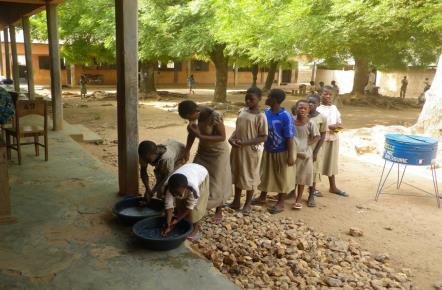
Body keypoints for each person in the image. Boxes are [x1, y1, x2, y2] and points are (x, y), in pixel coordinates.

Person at [178, 100, 232, 223]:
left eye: (189, 117)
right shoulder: (194, 115)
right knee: (198, 178)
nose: (189, 120)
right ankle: (199, 206)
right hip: (203, 151)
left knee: (217, 181)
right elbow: (192, 133)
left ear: (195, 111)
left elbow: (222, 137)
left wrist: (200, 136)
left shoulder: (214, 115)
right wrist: (187, 150)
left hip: (218, 153)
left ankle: (219, 209)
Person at [252, 89, 296, 214]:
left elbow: (289, 136)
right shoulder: (266, 113)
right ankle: (262, 197)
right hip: (268, 149)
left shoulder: (285, 116)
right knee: (265, 173)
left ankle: (280, 202)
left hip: (282, 151)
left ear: (275, 100)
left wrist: (290, 155)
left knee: (281, 175)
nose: (266, 98)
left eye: (269, 96)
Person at [229, 87, 268, 214]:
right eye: (246, 98)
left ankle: (247, 204)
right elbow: (238, 128)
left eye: (252, 99)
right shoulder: (242, 111)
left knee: (249, 177)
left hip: (250, 152)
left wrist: (245, 142)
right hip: (237, 149)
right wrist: (231, 139)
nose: (248, 101)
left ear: (259, 99)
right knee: (238, 174)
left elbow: (263, 137)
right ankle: (236, 202)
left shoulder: (261, 116)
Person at [162, 163, 210, 241]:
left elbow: (190, 208)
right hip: (187, 170)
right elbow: (169, 206)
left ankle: (196, 228)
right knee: (180, 204)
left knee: (196, 209)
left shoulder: (193, 189)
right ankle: (183, 219)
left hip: (202, 173)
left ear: (186, 188)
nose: (174, 195)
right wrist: (168, 224)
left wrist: (177, 220)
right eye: (173, 193)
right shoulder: (169, 187)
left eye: (177, 193)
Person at [317, 86, 348, 197]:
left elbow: (340, 126)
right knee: (317, 162)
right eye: (326, 94)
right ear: (320, 94)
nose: (328, 96)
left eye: (330, 94)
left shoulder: (334, 108)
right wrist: (327, 127)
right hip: (321, 140)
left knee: (331, 162)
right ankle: (313, 187)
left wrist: (336, 127)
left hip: (333, 139)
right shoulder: (317, 109)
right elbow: (314, 126)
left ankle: (333, 187)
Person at [291, 100, 320, 210]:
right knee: (292, 175)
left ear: (308, 110)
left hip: (304, 154)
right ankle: (290, 194)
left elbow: (317, 136)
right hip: (292, 152)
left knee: (302, 177)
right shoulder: (291, 121)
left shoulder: (310, 123)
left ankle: (299, 198)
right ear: (296, 108)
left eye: (305, 108)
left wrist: (308, 143)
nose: (302, 110)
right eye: (300, 108)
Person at [307, 94, 327, 205]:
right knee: (298, 170)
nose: (310, 104)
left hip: (315, 149)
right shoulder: (302, 115)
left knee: (313, 172)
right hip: (302, 148)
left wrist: (315, 152)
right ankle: (292, 192)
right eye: (309, 101)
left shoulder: (322, 118)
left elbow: (323, 135)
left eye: (313, 103)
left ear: (318, 104)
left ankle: (311, 195)